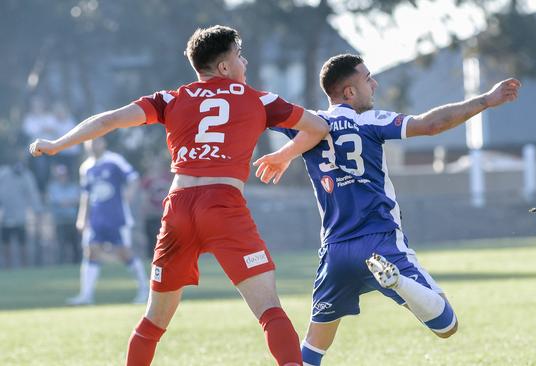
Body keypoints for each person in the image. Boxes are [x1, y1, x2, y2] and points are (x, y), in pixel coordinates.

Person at [29, 25, 329, 366]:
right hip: (223, 206)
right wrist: (283, 155)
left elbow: (108, 121)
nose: (245, 62)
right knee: (269, 310)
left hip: (178, 208)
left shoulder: (171, 98)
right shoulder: (260, 99)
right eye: (239, 56)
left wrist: (56, 145)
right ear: (225, 68)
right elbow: (319, 127)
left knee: (153, 322)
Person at [254, 54, 521, 365]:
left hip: (336, 252)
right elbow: (431, 124)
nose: (374, 84)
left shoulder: (308, 123)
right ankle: (397, 281)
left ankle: (393, 282)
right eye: (367, 78)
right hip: (381, 243)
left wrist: (223, 85)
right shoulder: (371, 120)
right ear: (349, 92)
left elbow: (260, 103)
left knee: (313, 348)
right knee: (448, 325)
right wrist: (486, 100)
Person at [63, 137, 149, 305]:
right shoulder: (86, 167)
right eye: (89, 141)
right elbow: (86, 194)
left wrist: (130, 193)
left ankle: (145, 289)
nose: (93, 144)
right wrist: (82, 218)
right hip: (96, 218)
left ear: (104, 142)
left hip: (117, 216)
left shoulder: (114, 160)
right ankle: (86, 295)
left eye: (97, 141)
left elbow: (133, 177)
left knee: (124, 253)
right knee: (91, 251)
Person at [0, 150, 43, 268]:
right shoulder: (3, 174)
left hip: (20, 217)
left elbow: (33, 195)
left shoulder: (27, 176)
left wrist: (37, 211)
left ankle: (25, 268)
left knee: (23, 245)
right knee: (6, 245)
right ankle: (8, 268)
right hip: (5, 217)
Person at [46, 164, 81, 264]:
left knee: (75, 246)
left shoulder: (74, 186)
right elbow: (56, 201)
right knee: (61, 246)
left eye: (64, 175)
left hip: (73, 220)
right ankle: (60, 265)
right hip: (60, 221)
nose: (62, 177)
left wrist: (65, 202)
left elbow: (77, 200)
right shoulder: (52, 187)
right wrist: (69, 202)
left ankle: (76, 265)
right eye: (60, 175)